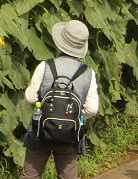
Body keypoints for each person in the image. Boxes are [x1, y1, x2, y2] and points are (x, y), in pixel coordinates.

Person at [22, 20, 99, 179]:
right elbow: (92, 109)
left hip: (40, 131)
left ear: (60, 42)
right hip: (69, 135)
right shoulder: (88, 73)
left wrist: (45, 107)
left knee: (30, 176)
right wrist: (74, 115)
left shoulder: (45, 66)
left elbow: (30, 97)